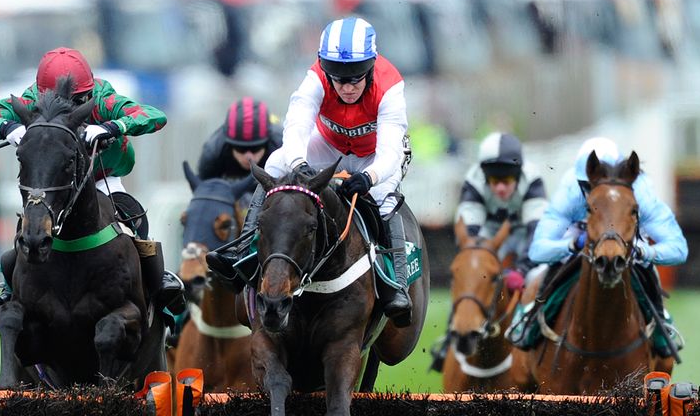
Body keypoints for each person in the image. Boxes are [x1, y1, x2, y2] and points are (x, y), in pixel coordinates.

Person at [206, 17, 414, 326]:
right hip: (328, 146)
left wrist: (368, 178)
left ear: (371, 67)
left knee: (383, 195)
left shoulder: (390, 86)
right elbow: (296, 126)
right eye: (338, 77)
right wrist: (299, 164)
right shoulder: (314, 77)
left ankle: (395, 283)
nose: (346, 86)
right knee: (276, 164)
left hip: (373, 156)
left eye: (355, 77)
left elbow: (390, 153)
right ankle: (242, 250)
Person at [0, 47, 184, 325]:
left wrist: (113, 127)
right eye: (65, 101)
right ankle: (9, 289)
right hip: (54, 186)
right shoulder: (29, 99)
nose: (72, 109)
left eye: (79, 101)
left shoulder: (102, 96)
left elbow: (153, 115)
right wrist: (6, 128)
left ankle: (158, 293)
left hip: (101, 179)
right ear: (43, 96)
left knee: (135, 222)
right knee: (27, 230)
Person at [509, 137, 688, 358]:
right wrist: (574, 244)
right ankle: (533, 319)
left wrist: (643, 252)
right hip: (582, 233)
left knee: (647, 268)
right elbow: (538, 251)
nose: (594, 191)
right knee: (546, 270)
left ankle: (660, 323)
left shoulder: (642, 193)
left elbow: (679, 249)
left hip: (624, 237)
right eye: (588, 185)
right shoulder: (570, 191)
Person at [455, 132, 548, 292]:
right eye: (494, 180)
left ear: (518, 176)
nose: (500, 188)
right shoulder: (473, 180)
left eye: (507, 180)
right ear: (485, 176)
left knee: (538, 275)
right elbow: (469, 236)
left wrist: (522, 270)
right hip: (490, 233)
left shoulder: (532, 179)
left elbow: (537, 232)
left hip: (524, 234)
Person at [196, 97, 282, 208]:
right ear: (229, 144)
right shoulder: (213, 152)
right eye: (241, 149)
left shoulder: (282, 146)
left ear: (267, 142)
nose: (249, 157)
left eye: (256, 148)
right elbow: (204, 197)